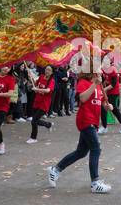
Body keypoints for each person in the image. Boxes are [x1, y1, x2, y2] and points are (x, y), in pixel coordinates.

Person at [46, 61, 113, 193]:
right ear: (93, 71)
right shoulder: (85, 82)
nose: (102, 71)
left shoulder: (100, 87)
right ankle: (95, 183)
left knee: (81, 152)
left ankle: (55, 170)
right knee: (96, 148)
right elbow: (82, 98)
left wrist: (107, 106)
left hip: (93, 121)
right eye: (100, 69)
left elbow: (101, 102)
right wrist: (94, 84)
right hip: (85, 119)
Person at [99, 55, 121, 134]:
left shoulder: (113, 70)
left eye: (106, 59)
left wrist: (104, 89)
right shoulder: (103, 69)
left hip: (114, 92)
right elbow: (102, 79)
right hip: (108, 91)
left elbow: (113, 84)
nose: (105, 60)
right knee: (113, 109)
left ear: (110, 61)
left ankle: (104, 127)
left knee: (105, 107)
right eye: (104, 59)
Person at [26, 66, 55, 144]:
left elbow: (48, 90)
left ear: (52, 72)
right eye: (46, 69)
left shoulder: (52, 81)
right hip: (37, 101)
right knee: (35, 120)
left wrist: (38, 90)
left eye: (49, 70)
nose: (47, 71)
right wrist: (31, 78)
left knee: (34, 120)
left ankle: (33, 138)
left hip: (45, 103)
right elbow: (35, 84)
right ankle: (48, 124)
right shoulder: (41, 76)